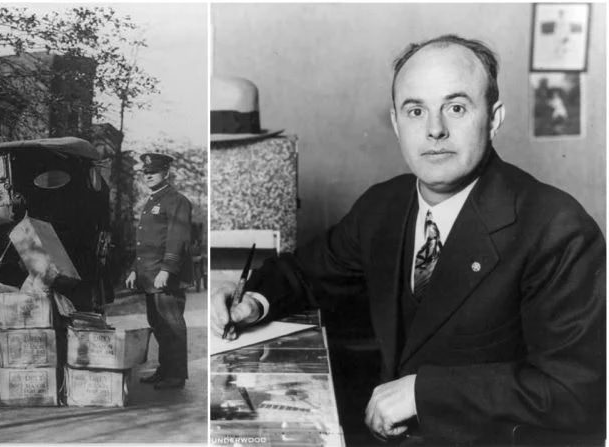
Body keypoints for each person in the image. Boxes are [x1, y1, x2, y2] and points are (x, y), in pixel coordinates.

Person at [210, 34, 605, 444]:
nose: (435, 130)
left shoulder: (557, 228)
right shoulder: (385, 205)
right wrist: (253, 300)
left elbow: (577, 392)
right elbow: (307, 272)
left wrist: (424, 393)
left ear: (494, 118)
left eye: (456, 107)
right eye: (416, 110)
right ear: (397, 123)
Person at [126, 153, 193, 390]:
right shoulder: (152, 201)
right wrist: (135, 270)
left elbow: (178, 239)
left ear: (166, 173)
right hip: (150, 275)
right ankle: (165, 370)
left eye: (153, 171)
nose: (148, 175)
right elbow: (146, 242)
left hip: (165, 277)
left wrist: (167, 269)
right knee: (158, 324)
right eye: (145, 172)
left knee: (172, 325)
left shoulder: (176, 201)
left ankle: (175, 375)